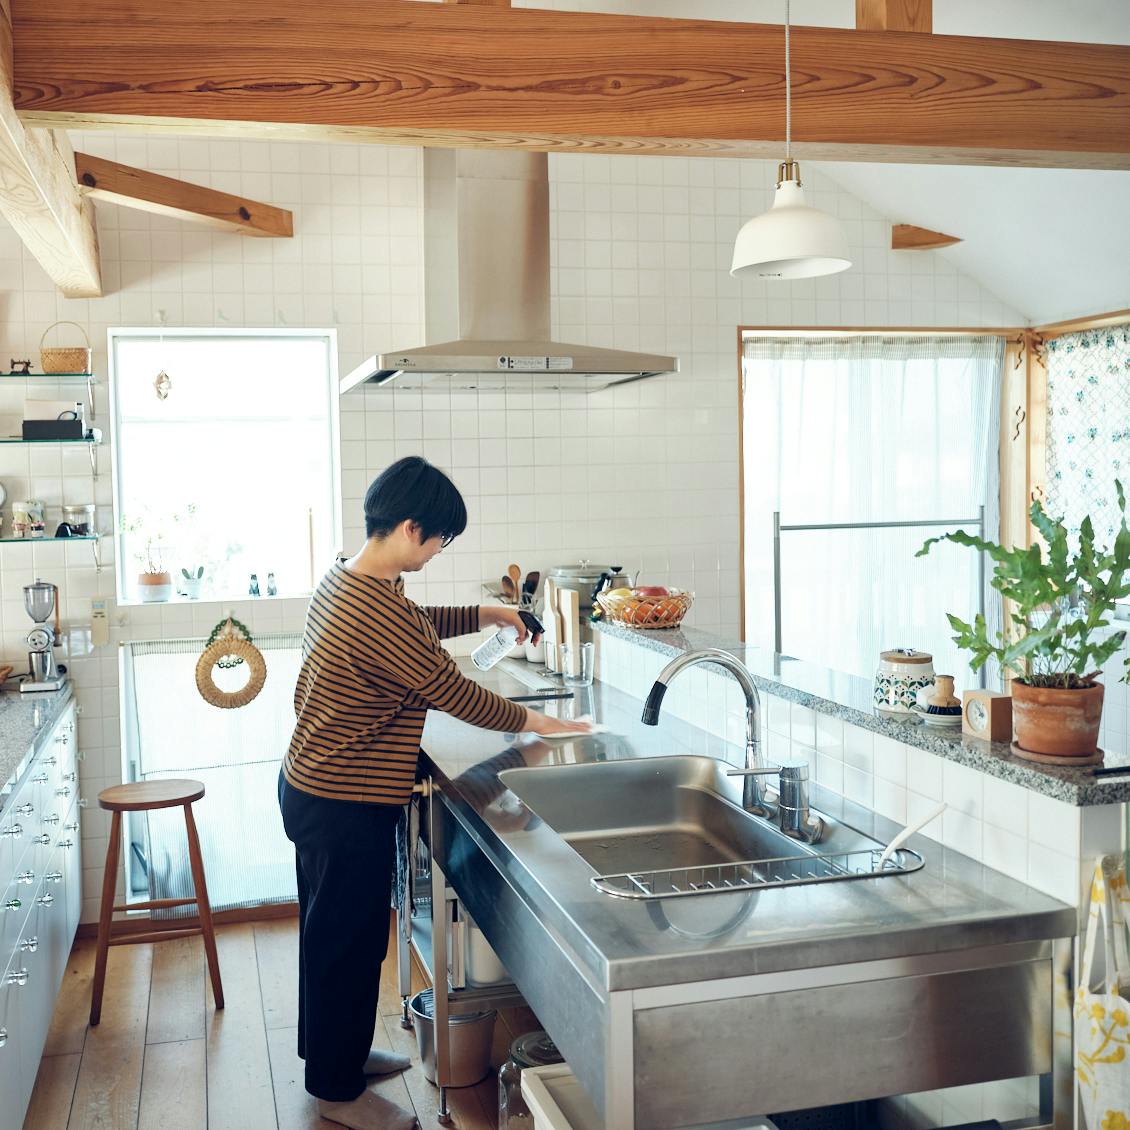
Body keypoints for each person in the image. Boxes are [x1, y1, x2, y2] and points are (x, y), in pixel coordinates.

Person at [278, 456, 589, 1130]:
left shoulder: (352, 577)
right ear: (412, 527)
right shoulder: (369, 605)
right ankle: (336, 1094)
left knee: (338, 937)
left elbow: (413, 624)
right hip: (342, 800)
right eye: (440, 538)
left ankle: (336, 1056)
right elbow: (450, 690)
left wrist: (482, 611)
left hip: (319, 786)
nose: (439, 549)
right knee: (344, 943)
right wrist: (542, 721)